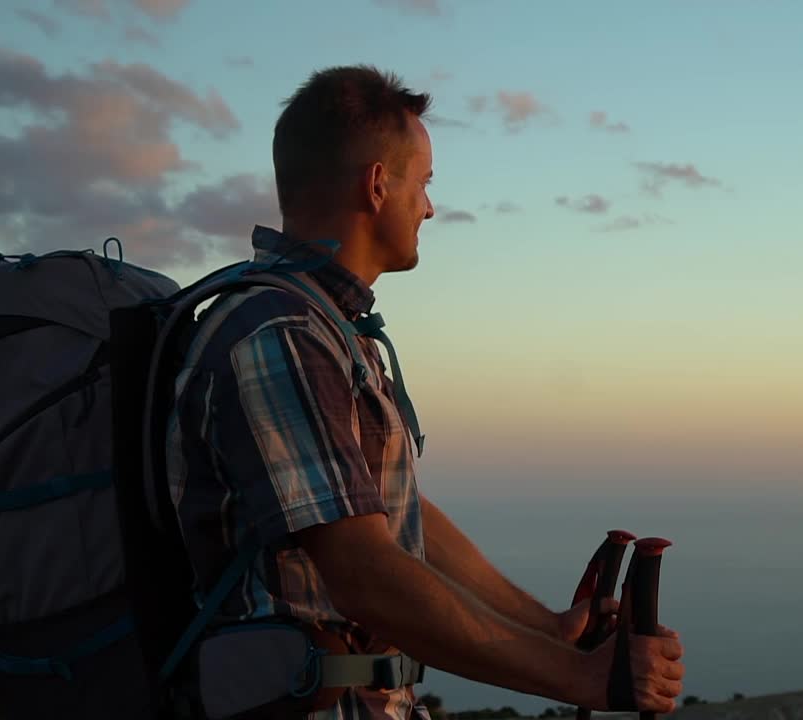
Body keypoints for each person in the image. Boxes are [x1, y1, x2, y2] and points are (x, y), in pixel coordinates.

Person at [164, 65, 684, 719]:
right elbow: (363, 573)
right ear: (379, 185)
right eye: (425, 183)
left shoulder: (328, 331)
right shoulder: (279, 336)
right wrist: (579, 680)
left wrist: (547, 628)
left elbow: (397, 516)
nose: (431, 207)